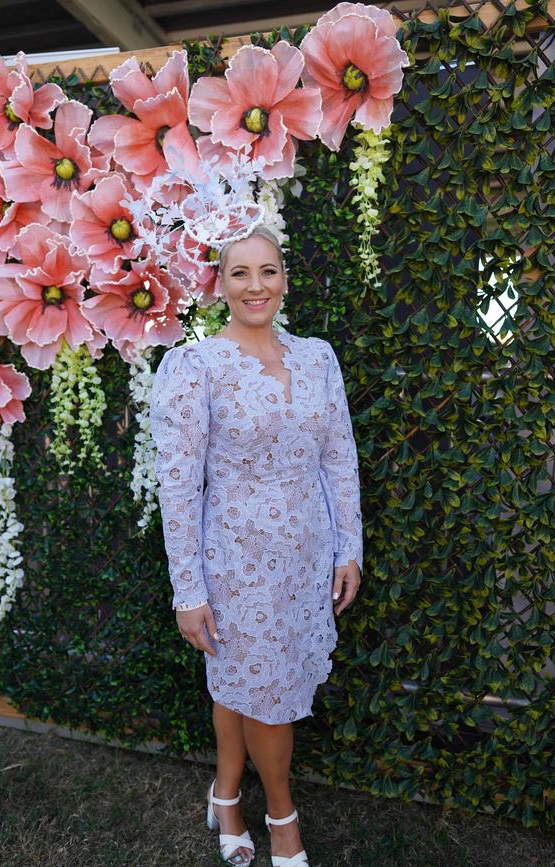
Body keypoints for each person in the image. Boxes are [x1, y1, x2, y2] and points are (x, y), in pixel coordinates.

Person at [150, 225, 363, 867]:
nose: (255, 286)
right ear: (219, 284)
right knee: (261, 691)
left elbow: (339, 458)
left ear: (284, 280)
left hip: (306, 558)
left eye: (267, 271)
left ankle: (224, 797)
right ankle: (281, 817)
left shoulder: (317, 357)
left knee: (241, 684)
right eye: (239, 273)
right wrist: (189, 590)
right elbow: (179, 487)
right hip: (236, 562)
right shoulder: (197, 367)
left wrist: (348, 547)